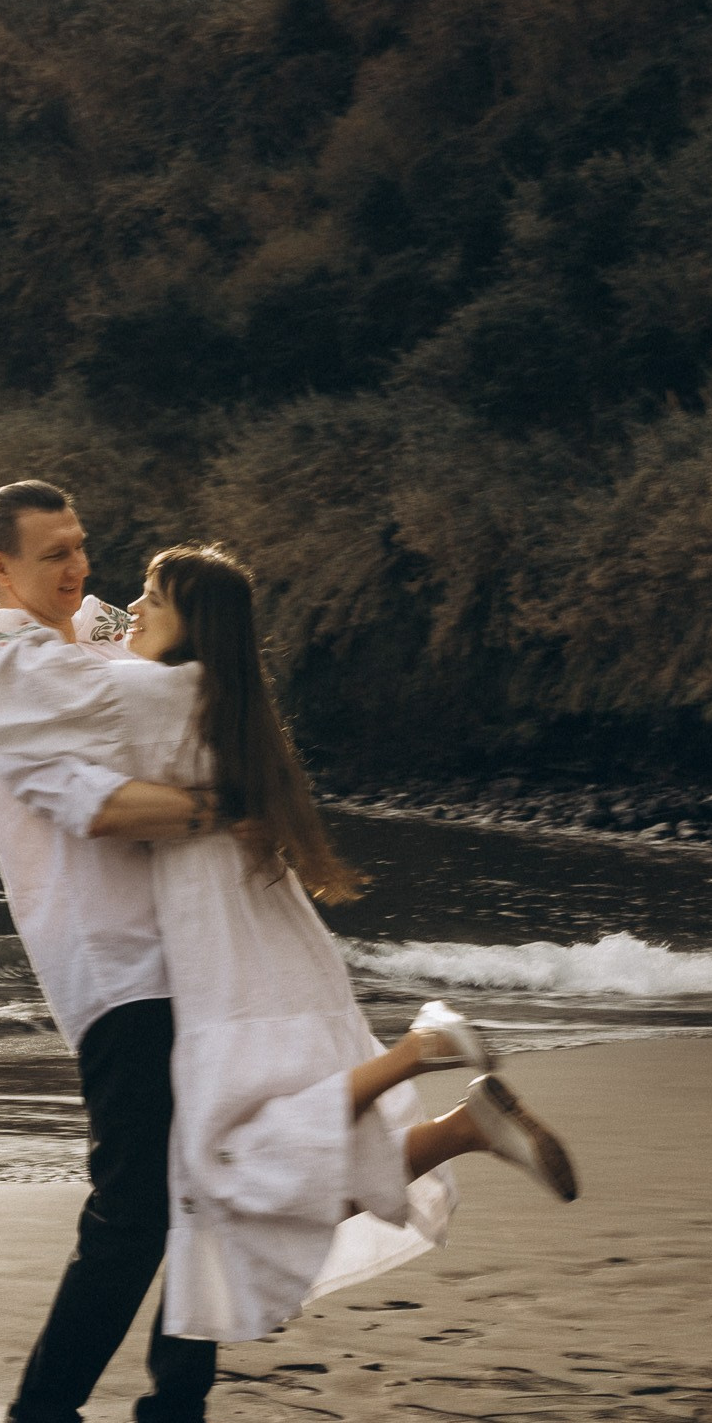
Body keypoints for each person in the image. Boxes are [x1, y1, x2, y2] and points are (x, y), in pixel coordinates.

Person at [115, 543, 578, 1348]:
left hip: (222, 956)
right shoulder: (229, 705)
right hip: (273, 949)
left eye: (154, 596)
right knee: (255, 1166)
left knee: (230, 1174)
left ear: (193, 625)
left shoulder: (157, 695)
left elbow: (76, 753)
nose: (135, 607)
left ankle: (421, 1051)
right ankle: (459, 1131)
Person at [0, 479, 269, 1423]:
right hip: (112, 967)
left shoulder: (89, 634)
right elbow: (106, 806)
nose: (75, 569)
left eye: (81, 546)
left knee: (208, 1192)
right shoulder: (3, 674)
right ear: (0, 569)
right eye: (51, 555)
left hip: (185, 952)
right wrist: (228, 800)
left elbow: (165, 648)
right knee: (130, 1212)